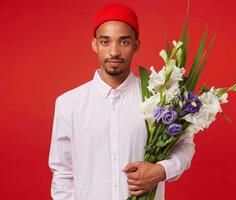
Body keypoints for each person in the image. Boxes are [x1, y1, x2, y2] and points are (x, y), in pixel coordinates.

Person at [48, 3, 195, 200]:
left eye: (124, 42)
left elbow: (185, 146)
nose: (114, 52)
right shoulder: (69, 104)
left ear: (136, 45)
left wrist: (161, 170)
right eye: (105, 42)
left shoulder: (158, 98)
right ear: (94, 44)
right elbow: (63, 173)